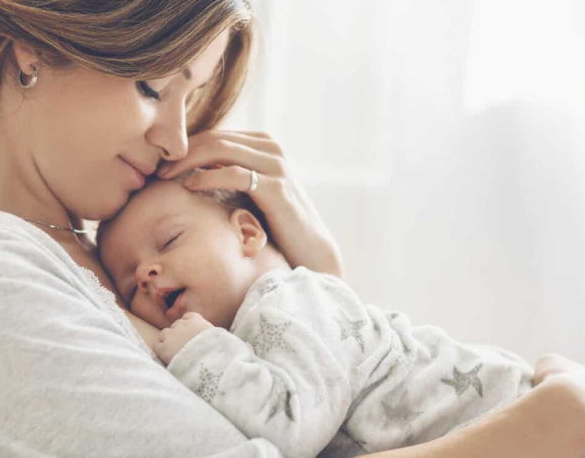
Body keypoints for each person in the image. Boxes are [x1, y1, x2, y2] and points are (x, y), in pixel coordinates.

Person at [0, 0, 585, 457]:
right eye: (152, 87)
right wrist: (552, 428)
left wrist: (316, 279)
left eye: (189, 99)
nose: (176, 136)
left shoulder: (93, 240)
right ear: (30, 53)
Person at [97, 176, 538, 457]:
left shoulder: (289, 297)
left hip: (515, 411)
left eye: (169, 240)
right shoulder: (258, 328)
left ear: (247, 232)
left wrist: (199, 351)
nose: (146, 273)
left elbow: (293, 430)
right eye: (131, 285)